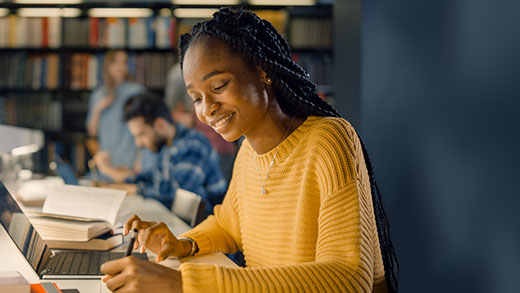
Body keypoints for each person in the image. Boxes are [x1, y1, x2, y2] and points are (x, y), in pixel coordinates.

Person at [100, 8, 398, 293]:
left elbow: (347, 280)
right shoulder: (248, 152)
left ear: (263, 71)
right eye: (196, 98)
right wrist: (182, 244)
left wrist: (184, 284)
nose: (207, 110)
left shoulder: (329, 140)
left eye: (219, 86)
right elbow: (230, 225)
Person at [94, 92, 227, 217]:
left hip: (208, 229)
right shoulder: (168, 147)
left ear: (160, 125)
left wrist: (129, 188)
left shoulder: (193, 145)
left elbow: (178, 196)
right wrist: (117, 182)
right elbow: (154, 178)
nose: (138, 143)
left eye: (141, 135)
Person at [165, 62, 238, 182]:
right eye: (197, 98)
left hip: (218, 148)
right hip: (212, 147)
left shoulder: (179, 73)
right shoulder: (179, 74)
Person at [85, 50, 145, 180]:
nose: (120, 67)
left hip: (129, 160)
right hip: (107, 161)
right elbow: (92, 132)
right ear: (107, 66)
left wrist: (140, 160)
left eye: (124, 63)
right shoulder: (98, 95)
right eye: (116, 62)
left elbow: (144, 130)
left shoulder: (136, 92)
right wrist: (98, 109)